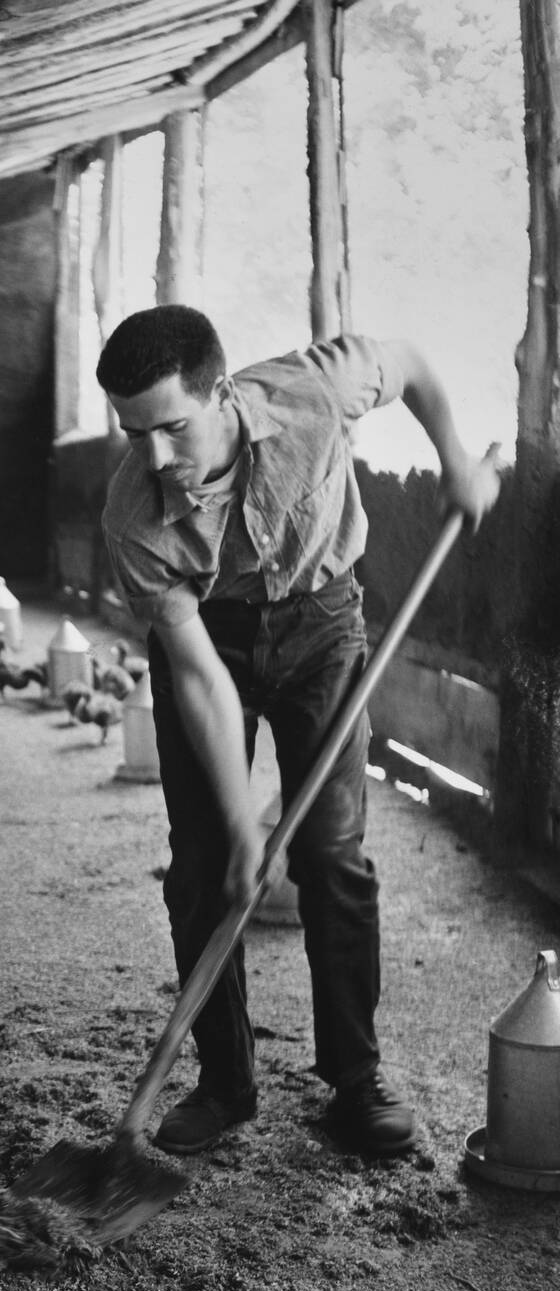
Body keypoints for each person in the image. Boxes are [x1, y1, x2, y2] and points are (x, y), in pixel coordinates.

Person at [96, 306, 501, 1156]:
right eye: (136, 435)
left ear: (221, 393)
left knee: (331, 852)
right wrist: (245, 828)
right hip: (213, 640)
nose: (156, 458)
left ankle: (356, 1081)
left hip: (323, 623)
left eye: (172, 427)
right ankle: (224, 1083)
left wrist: (458, 461)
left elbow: (417, 359)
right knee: (205, 862)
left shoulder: (315, 388)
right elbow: (199, 674)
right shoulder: (134, 515)